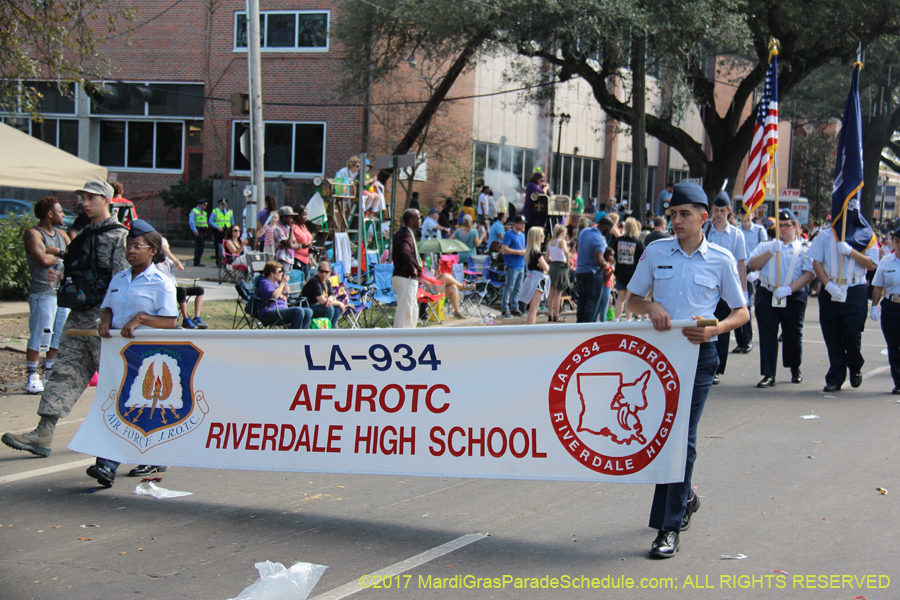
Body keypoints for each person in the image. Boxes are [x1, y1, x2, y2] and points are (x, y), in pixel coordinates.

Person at [626, 181, 749, 559]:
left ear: (703, 216)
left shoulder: (721, 259)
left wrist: (716, 327)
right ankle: (687, 496)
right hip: (658, 359)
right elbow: (632, 299)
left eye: (683, 214)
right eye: (672, 214)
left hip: (699, 356)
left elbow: (741, 311)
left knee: (681, 435)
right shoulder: (655, 251)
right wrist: (651, 309)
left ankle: (668, 526)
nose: (676, 221)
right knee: (662, 435)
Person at [3, 181, 128, 458]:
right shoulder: (85, 234)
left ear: (106, 200)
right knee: (64, 371)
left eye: (91, 197)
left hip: (103, 319)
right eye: (82, 197)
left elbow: (122, 282)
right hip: (78, 316)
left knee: (117, 380)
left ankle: (135, 441)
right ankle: (43, 433)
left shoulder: (119, 236)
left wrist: (112, 317)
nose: (84, 202)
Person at [85, 220, 178, 487]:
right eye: (129, 246)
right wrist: (105, 318)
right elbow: (109, 307)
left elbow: (170, 321)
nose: (131, 250)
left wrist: (141, 319)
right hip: (116, 354)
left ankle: (107, 463)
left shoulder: (161, 282)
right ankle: (146, 456)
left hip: (146, 356)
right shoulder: (119, 278)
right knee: (117, 405)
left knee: (126, 406)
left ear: (153, 251)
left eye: (138, 246)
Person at [806, 220, 879, 392]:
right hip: (830, 287)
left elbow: (871, 264)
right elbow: (816, 262)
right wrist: (828, 285)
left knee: (852, 334)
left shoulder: (866, 235)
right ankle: (835, 376)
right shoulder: (823, 235)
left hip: (854, 288)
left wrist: (850, 251)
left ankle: (855, 365)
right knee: (832, 334)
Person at [747, 210, 815, 388]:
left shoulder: (804, 248)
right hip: (768, 293)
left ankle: (795, 367)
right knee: (767, 336)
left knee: (793, 335)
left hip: (793, 296)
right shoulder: (766, 246)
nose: (783, 229)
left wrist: (789, 289)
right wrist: (770, 251)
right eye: (781, 226)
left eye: (787, 225)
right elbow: (752, 264)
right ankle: (769, 374)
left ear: (796, 227)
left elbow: (809, 274)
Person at [23, 197, 71, 394]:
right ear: (50, 214)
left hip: (61, 293)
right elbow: (42, 259)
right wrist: (62, 254)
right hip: (42, 293)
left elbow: (74, 254)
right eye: (60, 212)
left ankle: (49, 373)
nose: (64, 215)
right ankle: (32, 376)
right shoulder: (33, 234)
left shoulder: (61, 234)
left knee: (58, 335)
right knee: (40, 334)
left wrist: (58, 251)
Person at [704, 192, 749, 383]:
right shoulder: (706, 231)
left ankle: (717, 369)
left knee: (722, 329)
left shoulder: (737, 235)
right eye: (716, 210)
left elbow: (741, 264)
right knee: (706, 324)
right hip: (708, 286)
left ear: (729, 211)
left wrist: (744, 291)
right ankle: (707, 364)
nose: (720, 214)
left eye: (723, 210)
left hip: (727, 287)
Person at [870, 227, 900, 395]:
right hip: (891, 306)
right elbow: (878, 286)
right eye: (897, 242)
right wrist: (874, 306)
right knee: (893, 346)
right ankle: (898, 382)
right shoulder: (886, 261)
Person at [158, 237, 208, 330]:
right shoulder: (154, 263)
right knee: (181, 290)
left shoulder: (167, 261)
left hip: (174, 287)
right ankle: (185, 318)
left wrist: (169, 254)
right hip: (165, 289)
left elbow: (180, 268)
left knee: (199, 290)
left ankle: (197, 317)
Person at [575, 217, 612, 323]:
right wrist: (606, 265)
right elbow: (598, 259)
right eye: (609, 230)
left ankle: (579, 325)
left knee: (582, 300)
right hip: (593, 273)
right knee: (593, 302)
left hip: (580, 271)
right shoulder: (600, 239)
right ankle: (589, 326)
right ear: (605, 228)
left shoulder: (584, 232)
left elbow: (577, 247)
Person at [256, 261, 313, 329]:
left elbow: (284, 298)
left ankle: (303, 337)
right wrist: (282, 283)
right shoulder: (265, 283)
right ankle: (294, 337)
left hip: (282, 309)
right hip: (270, 311)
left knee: (308, 311)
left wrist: (286, 293)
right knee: (298, 311)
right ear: (272, 274)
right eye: (279, 271)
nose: (282, 273)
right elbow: (274, 296)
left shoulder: (276, 283)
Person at [392, 209, 423, 328]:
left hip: (404, 277)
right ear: (410, 220)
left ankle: (410, 337)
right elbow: (405, 252)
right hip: (406, 277)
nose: (420, 221)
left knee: (412, 311)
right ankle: (400, 339)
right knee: (406, 312)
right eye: (418, 218)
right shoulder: (406, 235)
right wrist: (412, 268)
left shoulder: (404, 233)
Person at [612, 217, 645, 322]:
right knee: (628, 299)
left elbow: (611, 254)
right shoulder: (638, 242)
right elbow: (643, 258)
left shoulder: (618, 240)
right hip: (633, 274)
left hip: (620, 272)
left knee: (620, 298)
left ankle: (616, 319)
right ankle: (628, 320)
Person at [301, 260, 346, 329]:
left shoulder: (327, 282)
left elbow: (331, 294)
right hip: (308, 306)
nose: (324, 274)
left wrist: (330, 299)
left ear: (330, 272)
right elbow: (322, 301)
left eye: (326, 272)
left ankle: (330, 330)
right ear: (318, 271)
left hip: (318, 306)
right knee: (329, 308)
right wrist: (339, 303)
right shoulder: (314, 281)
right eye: (322, 271)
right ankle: (324, 331)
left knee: (337, 309)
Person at [520, 227, 549, 325]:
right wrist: (542, 264)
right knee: (534, 308)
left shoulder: (530, 251)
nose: (543, 237)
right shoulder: (537, 253)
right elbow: (546, 268)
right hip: (537, 280)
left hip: (531, 277)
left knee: (532, 308)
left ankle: (530, 328)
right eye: (541, 235)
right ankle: (531, 329)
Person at [500, 215, 527, 318]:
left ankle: (514, 307)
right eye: (521, 223)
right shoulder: (509, 234)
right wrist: (518, 252)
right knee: (509, 287)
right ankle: (505, 309)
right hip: (511, 265)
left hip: (520, 265)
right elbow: (503, 249)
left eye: (523, 223)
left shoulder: (522, 235)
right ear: (515, 224)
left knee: (517, 287)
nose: (523, 225)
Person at [546, 224, 571, 323]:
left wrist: (555, 258)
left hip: (552, 267)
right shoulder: (561, 241)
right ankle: (556, 315)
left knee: (551, 293)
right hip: (561, 267)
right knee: (558, 293)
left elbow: (547, 258)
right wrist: (568, 262)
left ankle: (550, 315)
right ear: (561, 233)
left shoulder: (550, 242)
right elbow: (565, 252)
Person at [273, 206, 299, 276]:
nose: (292, 220)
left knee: (289, 279)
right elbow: (290, 244)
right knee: (283, 278)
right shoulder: (278, 229)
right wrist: (291, 231)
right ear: (283, 217)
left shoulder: (287, 228)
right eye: (290, 217)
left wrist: (289, 244)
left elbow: (296, 244)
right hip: (282, 258)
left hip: (290, 257)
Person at [209, 199, 233, 267]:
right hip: (218, 231)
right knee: (218, 246)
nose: (223, 206)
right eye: (222, 204)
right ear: (219, 205)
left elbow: (232, 222)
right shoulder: (215, 211)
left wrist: (231, 229)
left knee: (228, 246)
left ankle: (227, 261)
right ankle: (219, 262)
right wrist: (217, 227)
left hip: (227, 230)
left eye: (225, 204)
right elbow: (211, 221)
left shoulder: (230, 212)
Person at [292, 207, 314, 280]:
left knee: (306, 281)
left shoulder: (304, 226)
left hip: (306, 259)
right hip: (297, 258)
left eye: (306, 215)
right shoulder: (293, 227)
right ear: (298, 215)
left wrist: (310, 258)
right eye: (303, 215)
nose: (305, 217)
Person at [189, 199, 209, 266]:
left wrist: (205, 230)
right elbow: (191, 221)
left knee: (201, 246)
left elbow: (204, 222)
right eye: (204, 205)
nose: (205, 206)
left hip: (202, 230)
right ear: (200, 205)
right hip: (198, 230)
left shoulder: (203, 212)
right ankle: (196, 261)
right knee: (198, 246)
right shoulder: (194, 211)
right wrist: (194, 230)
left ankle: (198, 260)